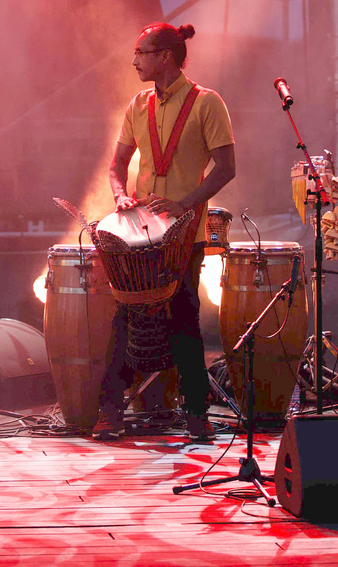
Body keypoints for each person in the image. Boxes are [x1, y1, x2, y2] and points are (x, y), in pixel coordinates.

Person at [93, 22, 236, 443]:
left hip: (183, 233)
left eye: (142, 52)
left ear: (165, 57)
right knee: (125, 321)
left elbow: (227, 168)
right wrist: (120, 195)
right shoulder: (138, 105)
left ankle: (196, 415)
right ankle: (111, 411)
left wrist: (185, 204)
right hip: (138, 234)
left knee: (185, 319)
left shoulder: (207, 103)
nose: (135, 60)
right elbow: (117, 165)